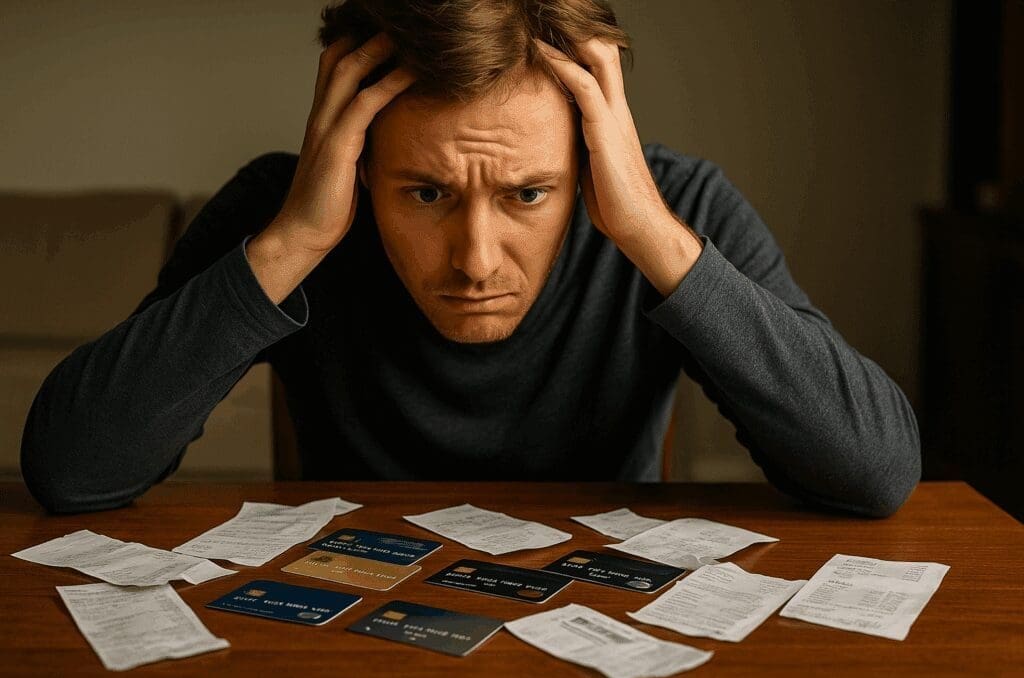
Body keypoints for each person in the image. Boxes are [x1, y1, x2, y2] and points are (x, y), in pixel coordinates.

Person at [20, 0, 920, 517]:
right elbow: (71, 469)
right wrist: (294, 240)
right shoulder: (285, 209)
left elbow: (876, 472)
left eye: (528, 193)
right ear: (362, 163)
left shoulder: (673, 210)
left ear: (588, 165)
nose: (476, 259)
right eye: (425, 193)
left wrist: (649, 232)